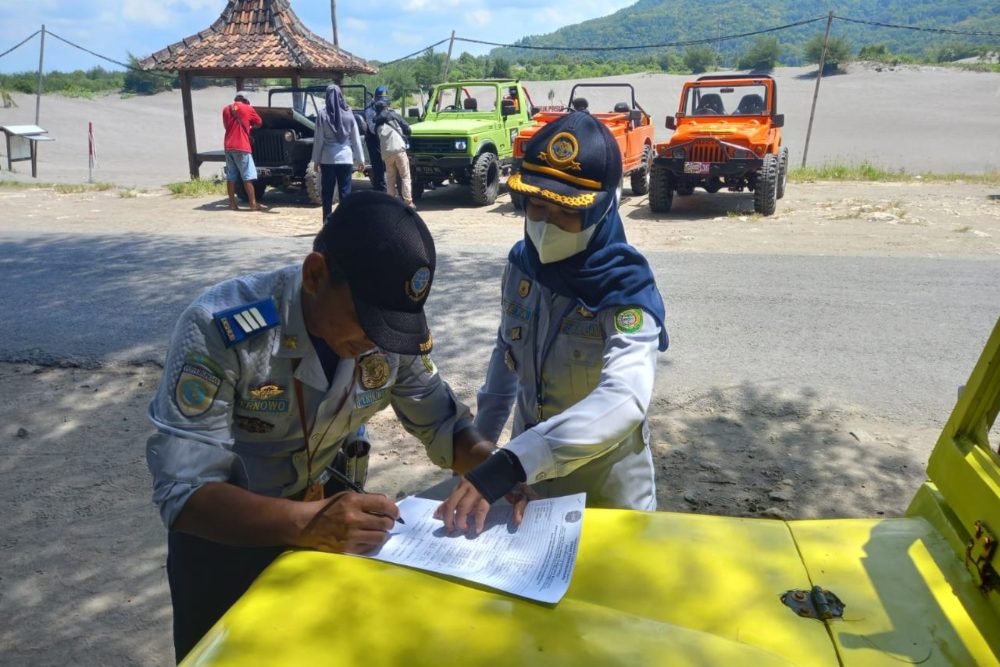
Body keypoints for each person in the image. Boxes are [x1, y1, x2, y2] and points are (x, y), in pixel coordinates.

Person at [146, 192, 500, 661]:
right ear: (315, 275)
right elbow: (185, 495)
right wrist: (309, 523)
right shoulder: (223, 329)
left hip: (327, 535)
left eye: (390, 327)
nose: (378, 341)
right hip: (227, 543)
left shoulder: (387, 325)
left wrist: (498, 470)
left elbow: (441, 420)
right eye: (367, 321)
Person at [435, 112, 669, 535]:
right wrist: (477, 461)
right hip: (528, 490)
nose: (544, 224)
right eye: (535, 206)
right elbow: (504, 363)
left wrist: (516, 459)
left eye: (564, 212)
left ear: (601, 209)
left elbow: (626, 397)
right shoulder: (522, 266)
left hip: (607, 494)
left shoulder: (626, 288)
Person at [311, 84, 366, 222]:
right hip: (346, 159)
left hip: (328, 159)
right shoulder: (349, 114)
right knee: (345, 192)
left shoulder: (322, 115)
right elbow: (355, 139)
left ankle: (327, 221)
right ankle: (345, 222)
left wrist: (316, 160)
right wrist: (360, 159)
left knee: (327, 192)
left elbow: (319, 139)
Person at [222, 92, 266, 211]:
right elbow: (259, 122)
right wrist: (250, 127)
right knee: (247, 176)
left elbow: (226, 126)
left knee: (231, 176)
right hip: (242, 146)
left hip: (228, 146)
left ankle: (232, 204)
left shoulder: (226, 109)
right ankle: (253, 204)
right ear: (246, 100)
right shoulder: (248, 108)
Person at [373, 99, 413, 207]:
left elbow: (377, 139)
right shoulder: (393, 115)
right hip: (399, 149)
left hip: (386, 153)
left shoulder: (376, 124)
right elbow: (408, 129)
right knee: (405, 176)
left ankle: (391, 202)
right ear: (386, 107)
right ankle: (408, 201)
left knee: (390, 178)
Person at [362, 85, 390, 193]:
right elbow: (373, 128)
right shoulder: (370, 110)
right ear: (376, 97)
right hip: (374, 140)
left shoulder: (386, 107)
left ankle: (387, 187)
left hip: (384, 139)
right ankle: (380, 189)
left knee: (387, 165)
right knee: (378, 166)